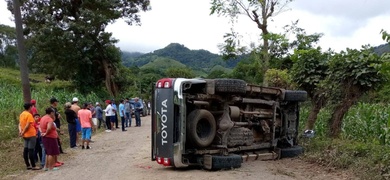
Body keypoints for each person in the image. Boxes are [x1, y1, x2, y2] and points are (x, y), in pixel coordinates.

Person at [19, 102, 40, 170]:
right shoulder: (29, 115)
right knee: (31, 150)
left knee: (26, 149)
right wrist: (23, 132)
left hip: (25, 135)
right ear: (30, 107)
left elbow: (19, 124)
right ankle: (33, 165)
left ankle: (28, 165)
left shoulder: (22, 114)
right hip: (31, 134)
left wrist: (21, 131)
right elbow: (28, 125)